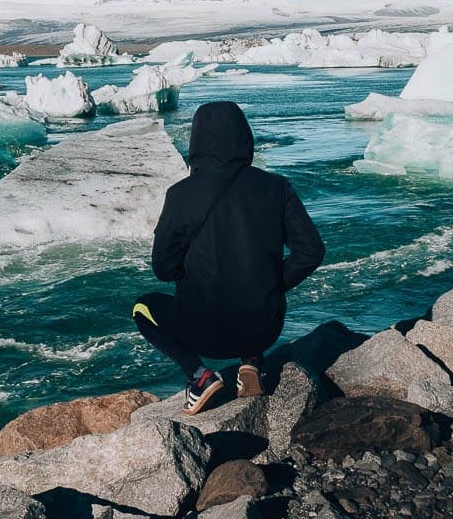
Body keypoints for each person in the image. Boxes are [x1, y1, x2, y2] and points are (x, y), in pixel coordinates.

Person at [132, 101, 326, 415]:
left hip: (202, 333)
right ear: (244, 136)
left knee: (143, 307)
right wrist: (271, 285)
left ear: (196, 140)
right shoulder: (276, 187)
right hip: (264, 328)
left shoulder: (181, 194)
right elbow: (311, 252)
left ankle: (199, 376)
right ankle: (250, 364)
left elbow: (162, 268)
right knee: (253, 290)